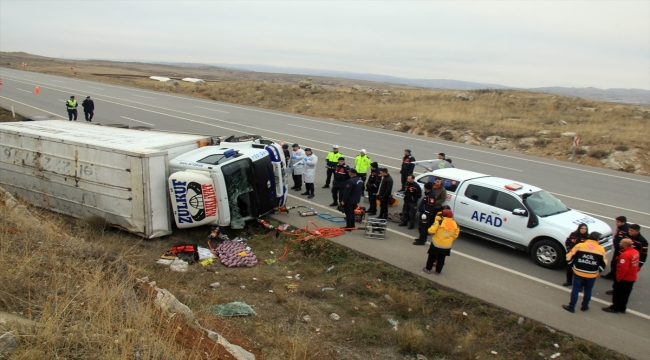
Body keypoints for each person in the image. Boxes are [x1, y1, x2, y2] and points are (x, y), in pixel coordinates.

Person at [562, 231, 607, 313]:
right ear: (597, 239)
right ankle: (585, 306)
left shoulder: (580, 246)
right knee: (588, 290)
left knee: (575, 289)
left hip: (578, 272)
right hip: (592, 274)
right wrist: (598, 271)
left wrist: (572, 265)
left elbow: (569, 256)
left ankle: (571, 306)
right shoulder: (601, 249)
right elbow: (604, 263)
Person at [605, 224, 647, 295]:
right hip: (622, 259)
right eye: (629, 230)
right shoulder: (627, 236)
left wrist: (639, 266)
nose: (630, 232)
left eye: (632, 231)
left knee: (626, 278)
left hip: (631, 263)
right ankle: (615, 289)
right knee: (617, 274)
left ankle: (623, 292)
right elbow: (621, 246)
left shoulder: (642, 241)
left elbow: (643, 255)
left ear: (637, 231)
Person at [603, 239, 640, 314]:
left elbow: (623, 269)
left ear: (624, 245)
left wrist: (618, 278)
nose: (619, 243)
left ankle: (615, 307)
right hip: (632, 277)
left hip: (624, 278)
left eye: (621, 242)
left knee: (618, 293)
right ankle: (622, 307)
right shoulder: (635, 252)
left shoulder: (625, 255)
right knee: (625, 294)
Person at [423, 209, 460, 275]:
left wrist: (430, 228)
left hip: (436, 244)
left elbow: (431, 231)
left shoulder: (439, 222)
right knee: (442, 258)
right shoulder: (456, 224)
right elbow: (455, 235)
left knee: (431, 256)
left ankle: (428, 269)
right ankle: (438, 272)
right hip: (447, 246)